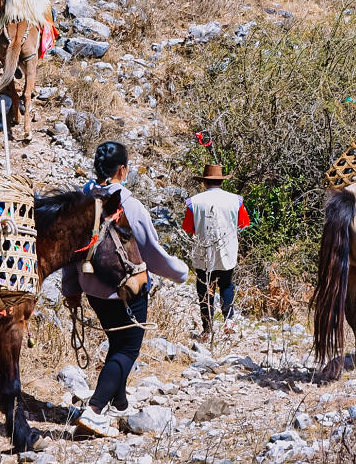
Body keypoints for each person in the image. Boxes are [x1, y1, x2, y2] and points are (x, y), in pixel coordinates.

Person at [65, 142, 189, 439]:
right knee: (127, 348)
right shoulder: (128, 204)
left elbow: (70, 250)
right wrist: (180, 273)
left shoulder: (84, 199)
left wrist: (70, 287)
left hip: (91, 287)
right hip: (126, 289)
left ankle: (118, 402)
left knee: (115, 339)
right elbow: (151, 252)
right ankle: (94, 410)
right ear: (123, 169)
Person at [182, 164, 250, 339]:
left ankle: (207, 328)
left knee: (204, 288)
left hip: (203, 251)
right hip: (227, 249)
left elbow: (188, 228)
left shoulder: (194, 202)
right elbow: (243, 223)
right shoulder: (235, 200)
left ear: (204, 182)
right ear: (221, 181)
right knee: (226, 284)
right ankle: (229, 321)